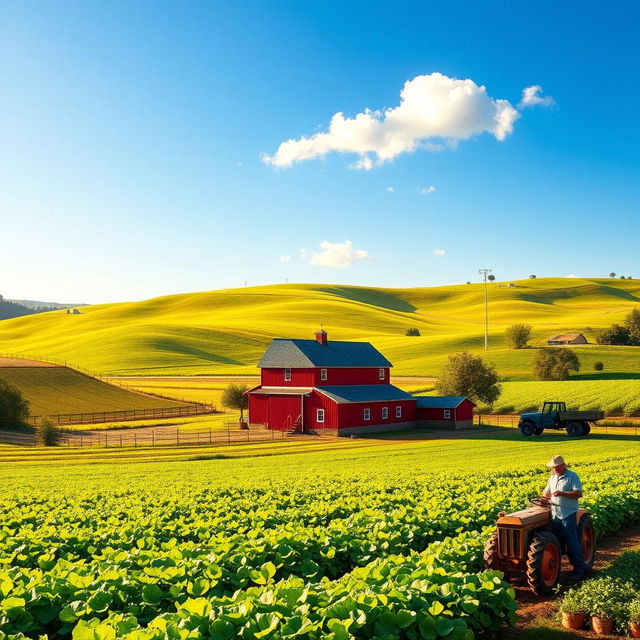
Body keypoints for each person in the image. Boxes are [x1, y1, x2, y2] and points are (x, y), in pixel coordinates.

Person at [542, 454, 585, 580]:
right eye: (553, 467)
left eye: (556, 466)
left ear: (562, 465)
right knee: (557, 541)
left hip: (568, 513)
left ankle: (579, 569)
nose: (554, 469)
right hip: (555, 513)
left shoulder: (572, 476)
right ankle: (555, 567)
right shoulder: (552, 478)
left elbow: (578, 493)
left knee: (572, 541)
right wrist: (545, 498)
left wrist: (562, 493)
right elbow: (547, 492)